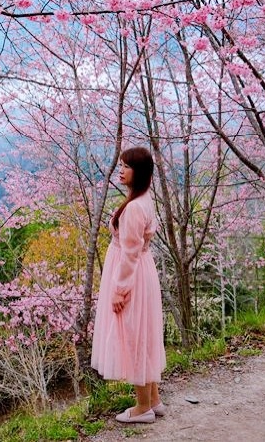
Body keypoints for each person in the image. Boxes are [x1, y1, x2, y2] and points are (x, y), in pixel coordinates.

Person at [91, 146, 167, 424]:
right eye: (121, 165)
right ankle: (154, 400)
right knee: (143, 334)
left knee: (134, 335)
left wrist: (119, 290)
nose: (121, 171)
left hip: (131, 274)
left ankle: (142, 408)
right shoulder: (142, 198)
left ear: (141, 172)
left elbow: (130, 252)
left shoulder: (134, 207)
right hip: (140, 272)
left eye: (126, 166)